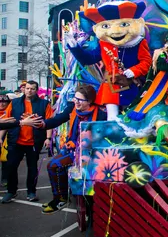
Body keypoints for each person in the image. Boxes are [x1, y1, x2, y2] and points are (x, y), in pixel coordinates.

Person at [31, 85, 108, 213]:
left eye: (80, 100)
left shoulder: (101, 113)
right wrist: (42, 124)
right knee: (53, 165)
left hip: (92, 153)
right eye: (75, 98)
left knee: (56, 166)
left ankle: (72, 201)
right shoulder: (72, 108)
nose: (76, 101)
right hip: (73, 149)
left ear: (89, 101)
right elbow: (58, 119)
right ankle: (61, 198)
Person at [0, 81, 54, 203]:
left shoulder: (44, 104)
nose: (29, 91)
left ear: (36, 90)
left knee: (32, 169)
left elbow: (50, 122)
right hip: (15, 141)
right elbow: (6, 122)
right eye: (28, 88)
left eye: (32, 89)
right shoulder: (14, 103)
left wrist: (48, 138)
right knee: (11, 167)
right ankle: (11, 191)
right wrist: (0, 137)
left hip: (34, 142)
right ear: (24, 89)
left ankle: (31, 192)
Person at [0, 94, 11, 188]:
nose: (2, 104)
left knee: (5, 160)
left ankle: (5, 178)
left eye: (4, 102)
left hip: (7, 139)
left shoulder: (9, 112)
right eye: (0, 102)